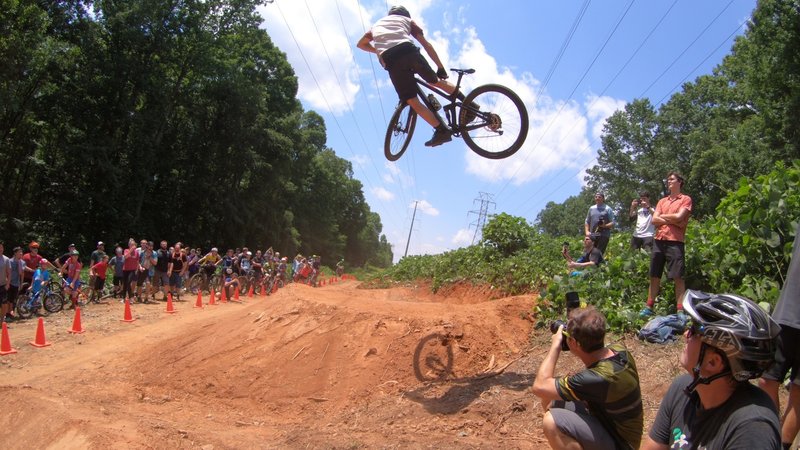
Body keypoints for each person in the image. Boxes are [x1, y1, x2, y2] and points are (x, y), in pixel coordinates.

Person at [642, 290, 781, 449]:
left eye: (694, 331)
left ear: (713, 362)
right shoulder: (682, 390)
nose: (686, 333)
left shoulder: (752, 429)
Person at [532, 306, 643, 450]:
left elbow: (539, 386)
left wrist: (555, 346)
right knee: (552, 398)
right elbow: (547, 392)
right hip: (610, 427)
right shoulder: (619, 351)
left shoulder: (598, 378)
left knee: (551, 422)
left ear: (575, 343)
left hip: (620, 444)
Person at [357, 5, 459, 147]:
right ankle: (468, 103)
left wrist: (380, 49)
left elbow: (360, 44)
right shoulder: (407, 20)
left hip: (390, 60)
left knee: (412, 101)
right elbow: (426, 44)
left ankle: (442, 131)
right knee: (435, 82)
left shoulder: (376, 26)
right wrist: (440, 67)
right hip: (408, 51)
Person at [760, 222, 800, 450]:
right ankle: (770, 437)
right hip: (787, 312)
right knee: (767, 378)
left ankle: (781, 445)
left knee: (798, 389)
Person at [641, 171, 692, 319]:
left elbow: (680, 216)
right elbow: (654, 220)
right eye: (668, 179)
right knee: (654, 275)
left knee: (678, 276)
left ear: (679, 182)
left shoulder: (686, 199)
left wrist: (663, 217)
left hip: (675, 241)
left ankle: (680, 310)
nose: (668, 181)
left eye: (671, 179)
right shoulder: (662, 201)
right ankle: (649, 306)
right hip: (659, 240)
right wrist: (673, 220)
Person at [0, 241, 13, 324]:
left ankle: (2, 319)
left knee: (4, 303)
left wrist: (8, 284)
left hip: (3, 284)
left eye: (1, 248)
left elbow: (9, 273)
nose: (0, 249)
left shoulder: (6, 259)